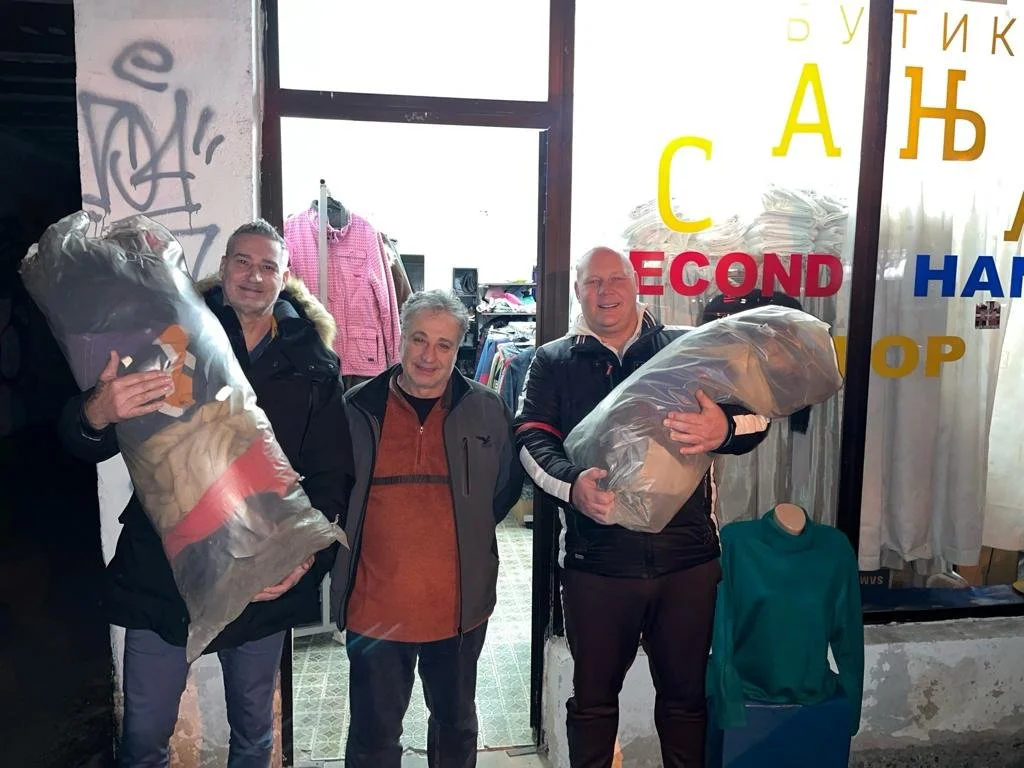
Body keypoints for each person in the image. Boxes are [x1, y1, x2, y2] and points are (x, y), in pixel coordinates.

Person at [58, 219, 353, 768]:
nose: (254, 276)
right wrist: (97, 412)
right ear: (224, 268)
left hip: (260, 575)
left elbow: (334, 474)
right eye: (243, 261)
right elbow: (85, 442)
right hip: (163, 576)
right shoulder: (170, 334)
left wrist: (307, 558)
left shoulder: (313, 364)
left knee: (254, 735)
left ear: (284, 276)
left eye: (268, 266)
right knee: (143, 738)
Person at [513, 246, 771, 768]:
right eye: (593, 282)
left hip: (687, 562)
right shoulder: (552, 360)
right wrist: (572, 485)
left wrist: (723, 428)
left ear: (636, 284)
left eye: (615, 279)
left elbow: (758, 416)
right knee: (592, 704)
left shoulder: (686, 347)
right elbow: (531, 437)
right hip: (597, 564)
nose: (605, 292)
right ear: (578, 291)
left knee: (685, 702)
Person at [329, 289, 525, 768]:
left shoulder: (487, 410)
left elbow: (502, 491)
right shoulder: (356, 408)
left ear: (458, 349)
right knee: (373, 737)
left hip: (458, 610)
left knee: (455, 727)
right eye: (419, 339)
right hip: (375, 609)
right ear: (401, 337)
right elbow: (333, 494)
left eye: (443, 344)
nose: (428, 356)